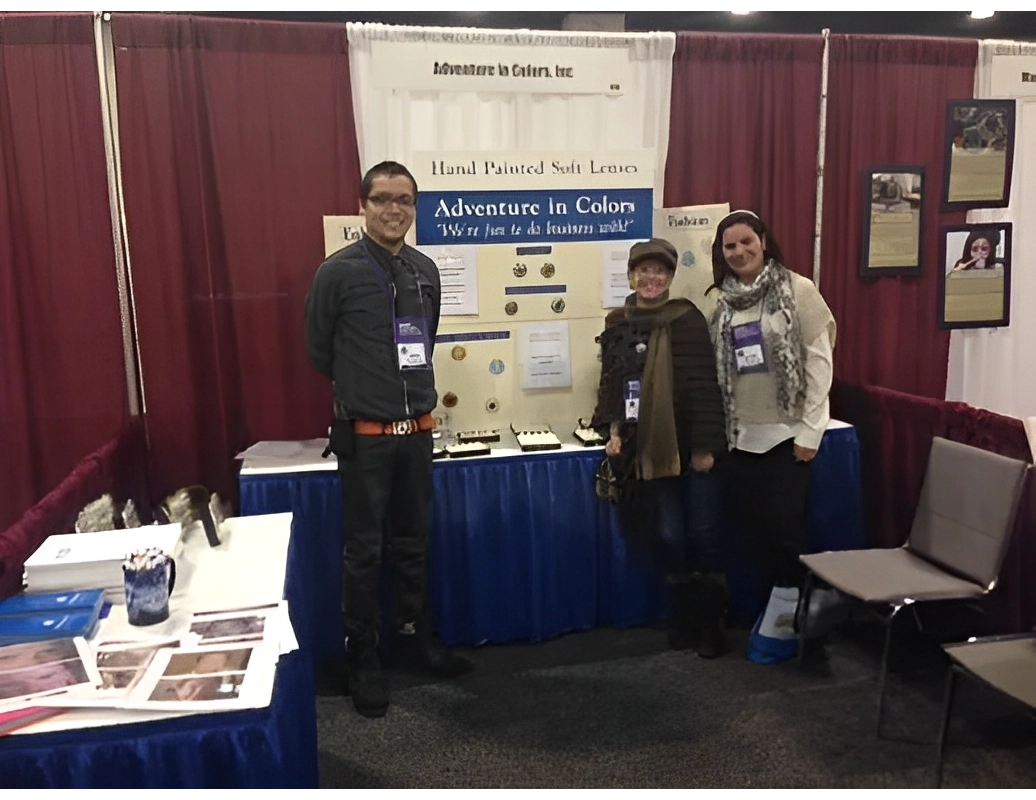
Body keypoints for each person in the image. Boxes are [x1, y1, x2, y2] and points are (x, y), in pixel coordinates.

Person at [305, 161, 472, 719]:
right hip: (367, 438)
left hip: (417, 434)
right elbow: (319, 351)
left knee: (413, 544)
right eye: (382, 199)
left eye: (404, 200)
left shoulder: (425, 269)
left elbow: (426, 339)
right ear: (363, 206)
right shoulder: (337, 272)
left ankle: (416, 640)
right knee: (364, 553)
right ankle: (364, 660)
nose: (394, 209)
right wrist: (366, 391)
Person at [592, 238, 730, 658]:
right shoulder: (619, 321)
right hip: (647, 449)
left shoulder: (687, 319)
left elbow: (707, 386)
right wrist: (612, 432)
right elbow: (614, 383)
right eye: (643, 271)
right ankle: (684, 616)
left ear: (670, 277)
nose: (651, 278)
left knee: (704, 534)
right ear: (631, 275)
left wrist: (706, 446)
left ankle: (711, 624)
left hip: (693, 447)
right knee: (669, 536)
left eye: (659, 272)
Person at [706, 211, 836, 600]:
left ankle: (795, 618)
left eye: (746, 241)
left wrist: (812, 430)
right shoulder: (719, 300)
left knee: (784, 535)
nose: (739, 251)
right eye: (730, 245)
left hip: (787, 437)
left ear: (763, 240)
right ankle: (770, 618)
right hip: (739, 439)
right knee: (754, 535)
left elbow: (819, 362)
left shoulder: (798, 290)